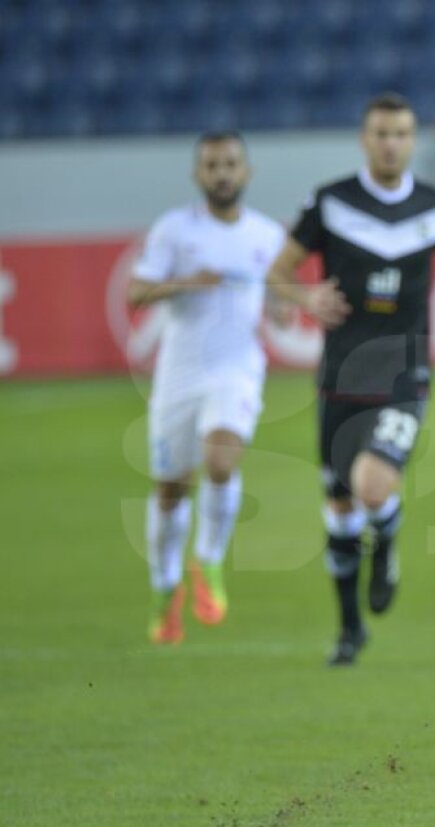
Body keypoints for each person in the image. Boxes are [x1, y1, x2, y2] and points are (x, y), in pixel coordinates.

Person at [267, 92, 435, 666]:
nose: (391, 143)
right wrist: (305, 295)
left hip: (404, 373)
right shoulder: (332, 203)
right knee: (338, 507)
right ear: (366, 139)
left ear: (413, 141)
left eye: (401, 133)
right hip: (340, 373)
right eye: (382, 133)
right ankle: (349, 628)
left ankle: (385, 538)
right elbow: (280, 272)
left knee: (370, 485)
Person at [128, 131, 286, 644]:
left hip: (236, 368)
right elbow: (135, 292)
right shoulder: (175, 230)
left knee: (221, 461)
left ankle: (209, 562)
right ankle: (163, 586)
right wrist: (188, 283)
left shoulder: (267, 236)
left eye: (231, 164)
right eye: (212, 165)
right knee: (171, 489)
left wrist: (285, 305)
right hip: (180, 372)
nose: (222, 173)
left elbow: (280, 304)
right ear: (198, 175)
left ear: (248, 172)